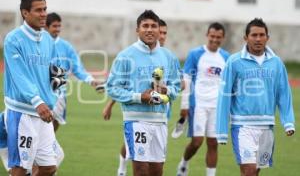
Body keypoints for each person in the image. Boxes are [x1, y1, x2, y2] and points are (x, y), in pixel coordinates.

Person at [216, 18, 295, 176]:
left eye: (261, 35)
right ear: (246, 38)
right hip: (243, 127)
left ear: (267, 37)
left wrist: (288, 122)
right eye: (254, 35)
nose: (258, 39)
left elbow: (284, 93)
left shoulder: (276, 63)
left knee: (255, 171)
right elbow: (224, 97)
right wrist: (221, 130)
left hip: (267, 127)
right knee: (249, 170)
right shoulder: (234, 62)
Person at [106, 10, 181, 176]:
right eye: (145, 26)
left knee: (157, 171)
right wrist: (140, 97)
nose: (149, 29)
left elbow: (176, 88)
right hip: (136, 121)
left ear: (158, 30)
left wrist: (165, 91)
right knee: (140, 171)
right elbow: (112, 88)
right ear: (137, 30)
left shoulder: (169, 57)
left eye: (153, 26)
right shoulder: (125, 56)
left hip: (160, 122)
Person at [3, 0, 59, 176]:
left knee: (49, 167)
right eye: (38, 10)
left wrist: (55, 90)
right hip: (22, 113)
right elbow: (20, 75)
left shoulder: (48, 40)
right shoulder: (13, 39)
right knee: (19, 169)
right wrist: (37, 100)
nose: (43, 14)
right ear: (25, 13)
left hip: (43, 112)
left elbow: (55, 69)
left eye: (45, 9)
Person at [176, 22, 230, 176]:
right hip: (198, 105)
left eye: (218, 37)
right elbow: (186, 78)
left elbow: (229, 83)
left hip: (217, 107)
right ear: (207, 35)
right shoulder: (195, 54)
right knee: (197, 142)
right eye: (212, 36)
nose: (215, 39)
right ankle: (183, 164)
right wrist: (184, 104)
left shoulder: (226, 57)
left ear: (223, 38)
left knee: (213, 143)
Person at [45, 12, 100, 132]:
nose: (58, 29)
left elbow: (77, 67)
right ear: (46, 26)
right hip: (41, 90)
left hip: (59, 92)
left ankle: (47, 146)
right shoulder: (38, 43)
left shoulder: (66, 46)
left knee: (54, 123)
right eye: (54, 26)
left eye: (59, 26)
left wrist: (90, 80)